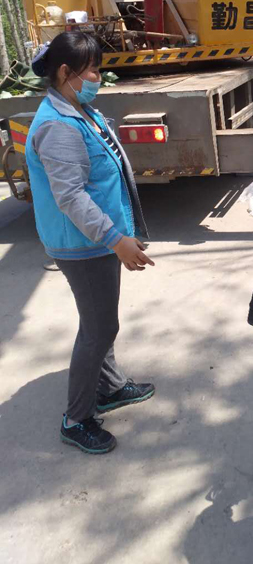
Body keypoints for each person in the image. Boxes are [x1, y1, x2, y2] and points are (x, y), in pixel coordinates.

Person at [26, 32, 155, 455]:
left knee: (100, 320)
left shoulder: (78, 110)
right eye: (93, 70)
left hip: (96, 238)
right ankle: (76, 419)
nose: (99, 77)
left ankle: (111, 387)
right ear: (66, 72)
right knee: (100, 328)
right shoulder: (58, 126)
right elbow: (71, 197)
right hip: (83, 244)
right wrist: (116, 240)